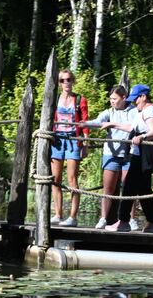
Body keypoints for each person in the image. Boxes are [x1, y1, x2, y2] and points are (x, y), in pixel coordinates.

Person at [104, 84, 153, 233]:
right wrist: (113, 124)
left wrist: (141, 137)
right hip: (138, 154)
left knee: (129, 186)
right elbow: (132, 127)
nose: (134, 102)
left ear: (143, 97)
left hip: (143, 154)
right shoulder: (141, 111)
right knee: (143, 189)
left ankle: (123, 221)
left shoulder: (150, 111)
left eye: (136, 99)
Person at [83, 85, 140, 230]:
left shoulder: (134, 111)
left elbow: (134, 126)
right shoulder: (109, 111)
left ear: (124, 98)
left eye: (114, 99)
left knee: (129, 189)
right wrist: (82, 124)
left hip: (129, 153)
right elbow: (98, 121)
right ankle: (103, 218)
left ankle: (131, 219)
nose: (112, 102)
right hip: (111, 154)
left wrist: (113, 124)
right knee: (108, 188)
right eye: (110, 99)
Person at [50, 69, 89, 227]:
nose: (66, 83)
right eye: (62, 80)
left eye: (69, 79)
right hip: (57, 140)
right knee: (55, 179)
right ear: (59, 83)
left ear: (73, 81)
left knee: (72, 178)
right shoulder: (54, 99)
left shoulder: (80, 99)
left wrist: (85, 144)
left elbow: (84, 123)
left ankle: (73, 217)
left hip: (73, 139)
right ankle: (58, 214)